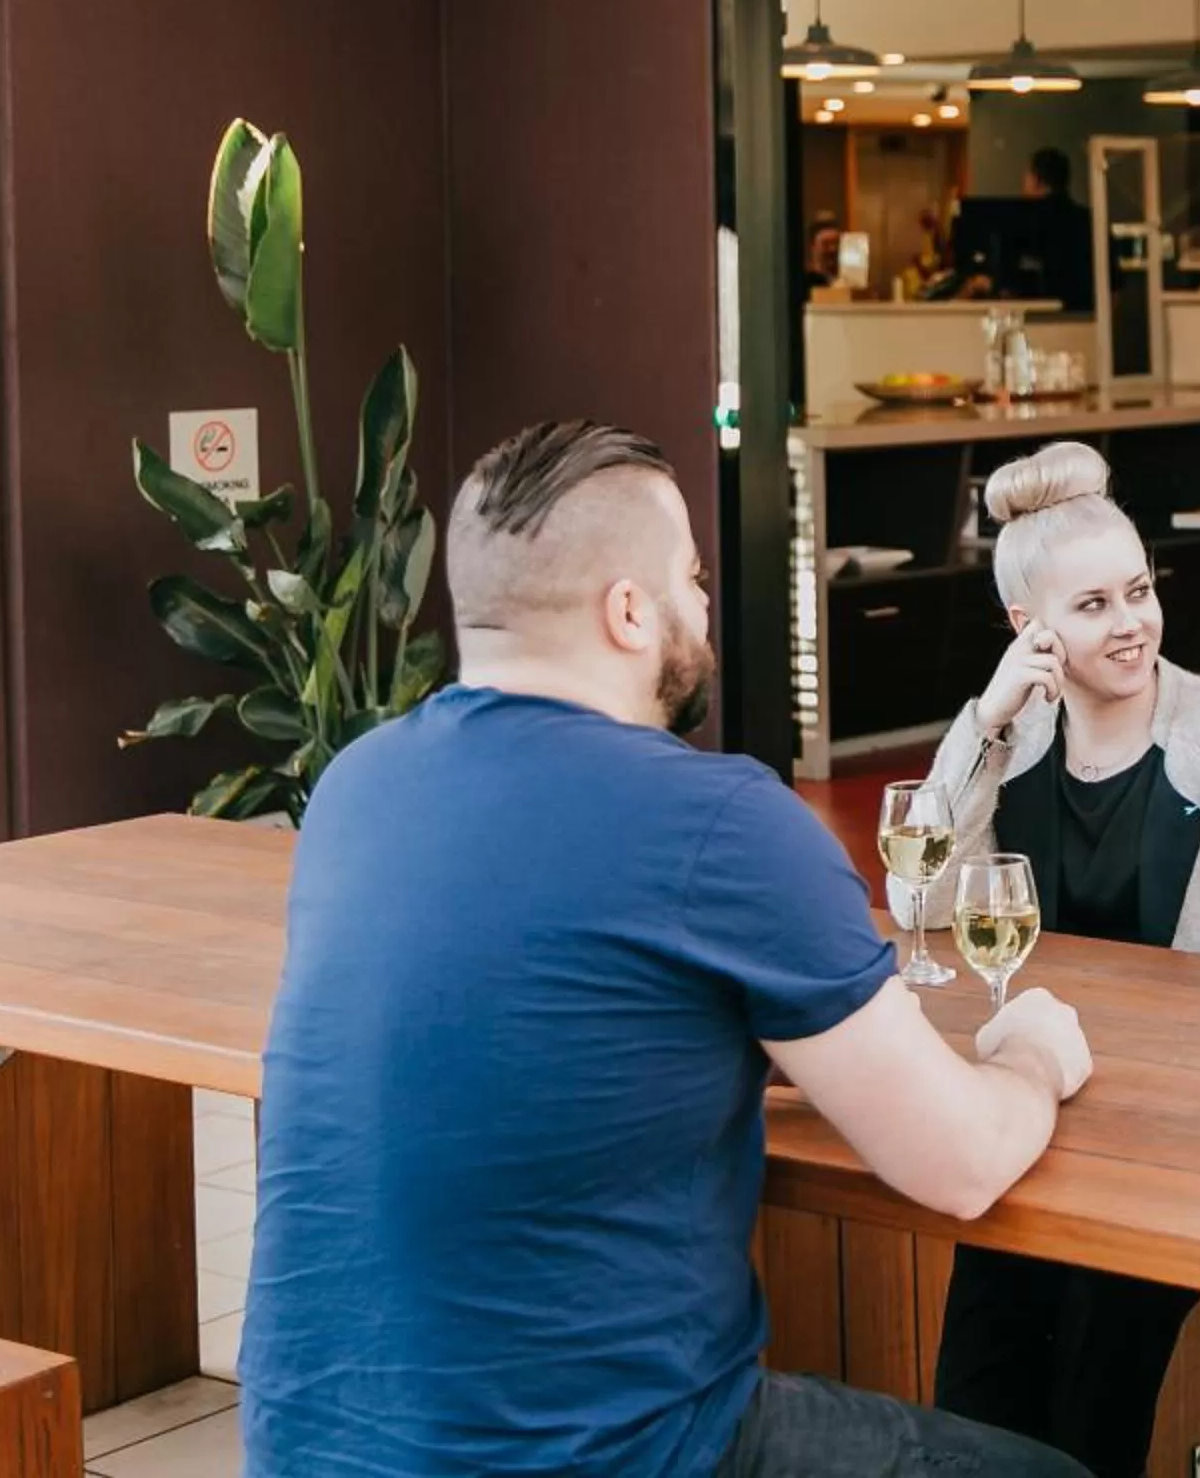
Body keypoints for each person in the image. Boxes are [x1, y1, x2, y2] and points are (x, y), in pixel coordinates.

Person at [242, 420, 1096, 1478]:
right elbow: (960, 1163)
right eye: (691, 577)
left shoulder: (357, 788)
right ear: (631, 610)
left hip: (305, 1449)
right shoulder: (722, 820)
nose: (702, 605)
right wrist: (1033, 1056)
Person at [914, 440, 1200, 1476]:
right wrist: (986, 719)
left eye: (1138, 590)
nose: (1132, 621)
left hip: (1177, 1128)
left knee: (1091, 1370)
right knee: (979, 1361)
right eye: (1092, 605)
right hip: (1034, 1105)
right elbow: (918, 899)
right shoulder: (1018, 742)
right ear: (1029, 629)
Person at [1018, 148, 1095, 315]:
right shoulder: (1090, 220)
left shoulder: (1025, 222)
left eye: (1027, 176)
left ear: (1037, 180)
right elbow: (1114, 286)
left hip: (1036, 323)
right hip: (1086, 324)